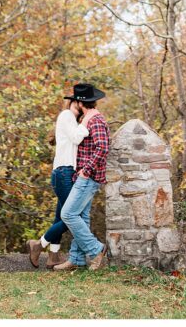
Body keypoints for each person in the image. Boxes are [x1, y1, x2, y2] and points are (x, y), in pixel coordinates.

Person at [26, 90, 90, 269]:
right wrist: (88, 120)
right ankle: (38, 245)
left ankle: (53, 256)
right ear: (76, 102)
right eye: (84, 103)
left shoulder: (71, 118)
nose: (85, 107)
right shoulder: (67, 115)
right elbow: (77, 138)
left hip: (66, 173)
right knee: (72, 215)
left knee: (61, 217)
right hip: (63, 173)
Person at [53, 83, 110, 272]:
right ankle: (76, 259)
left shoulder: (95, 120)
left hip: (88, 177)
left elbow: (103, 148)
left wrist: (86, 170)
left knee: (67, 214)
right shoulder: (88, 119)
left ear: (79, 102)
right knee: (81, 217)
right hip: (84, 176)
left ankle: (96, 250)